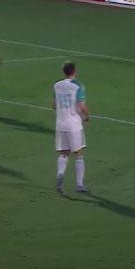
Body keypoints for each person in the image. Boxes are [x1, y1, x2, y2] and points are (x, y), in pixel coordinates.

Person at [53, 62, 90, 194]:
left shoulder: (57, 85)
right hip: (74, 124)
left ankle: (60, 174)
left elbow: (54, 105)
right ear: (74, 71)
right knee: (78, 153)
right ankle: (79, 185)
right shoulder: (78, 86)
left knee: (64, 152)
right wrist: (87, 116)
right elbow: (82, 105)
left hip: (60, 124)